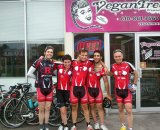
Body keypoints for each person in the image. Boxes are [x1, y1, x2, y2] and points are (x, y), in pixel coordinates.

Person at [27, 46, 56, 130]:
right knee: (41, 109)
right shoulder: (39, 61)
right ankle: (40, 126)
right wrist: (37, 78)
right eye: (48, 52)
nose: (50, 53)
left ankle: (46, 126)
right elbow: (29, 73)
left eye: (51, 52)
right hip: (40, 88)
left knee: (47, 108)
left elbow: (56, 73)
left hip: (49, 88)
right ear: (44, 52)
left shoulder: (52, 63)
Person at [108, 49, 138, 130]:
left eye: (119, 56)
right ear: (114, 57)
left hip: (127, 90)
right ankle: (123, 126)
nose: (118, 58)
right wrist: (102, 68)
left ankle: (130, 128)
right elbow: (109, 74)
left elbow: (136, 73)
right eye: (116, 57)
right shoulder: (113, 66)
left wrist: (134, 85)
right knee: (120, 109)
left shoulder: (127, 64)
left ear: (122, 56)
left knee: (129, 109)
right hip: (118, 91)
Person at [87, 50, 112, 130]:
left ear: (100, 57)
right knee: (92, 107)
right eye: (95, 55)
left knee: (100, 107)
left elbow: (106, 82)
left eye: (98, 55)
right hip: (89, 90)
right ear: (93, 57)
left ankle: (102, 124)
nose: (96, 57)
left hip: (98, 90)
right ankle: (96, 123)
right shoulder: (89, 65)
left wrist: (108, 93)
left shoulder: (102, 68)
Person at [70, 48, 93, 130]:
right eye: (82, 55)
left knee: (85, 107)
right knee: (74, 107)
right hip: (74, 88)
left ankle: (88, 125)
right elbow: (62, 62)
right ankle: (74, 125)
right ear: (79, 55)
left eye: (86, 55)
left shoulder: (89, 63)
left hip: (83, 88)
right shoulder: (73, 62)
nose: (84, 57)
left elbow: (98, 60)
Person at [56, 54, 72, 130]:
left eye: (68, 62)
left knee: (65, 109)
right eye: (65, 62)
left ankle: (62, 123)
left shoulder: (72, 69)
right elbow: (52, 61)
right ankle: (65, 125)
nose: (67, 64)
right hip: (59, 91)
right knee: (62, 109)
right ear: (62, 62)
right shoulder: (59, 67)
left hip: (68, 92)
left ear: (71, 62)